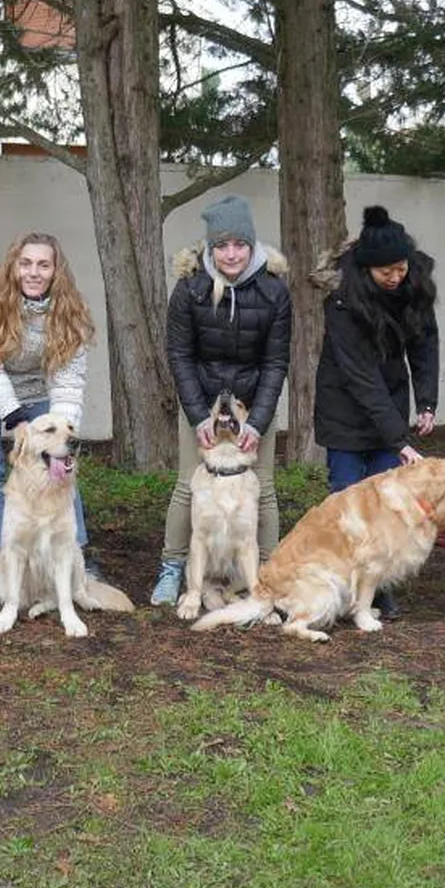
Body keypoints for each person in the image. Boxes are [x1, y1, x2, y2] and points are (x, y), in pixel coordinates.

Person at [151, 194, 293, 606]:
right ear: (210, 248)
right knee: (187, 486)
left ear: (252, 245)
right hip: (202, 400)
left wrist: (258, 421)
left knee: (262, 489)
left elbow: (275, 360)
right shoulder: (189, 288)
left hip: (252, 402)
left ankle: (269, 575)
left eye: (239, 244)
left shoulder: (274, 291)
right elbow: (180, 354)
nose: (231, 254)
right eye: (222, 245)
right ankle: (173, 568)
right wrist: (198, 416)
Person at [310, 205, 440, 619]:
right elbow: (360, 376)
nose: (395, 276)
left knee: (388, 504)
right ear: (366, 269)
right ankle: (342, 584)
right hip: (344, 406)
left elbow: (425, 341)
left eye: (400, 267)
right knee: (348, 501)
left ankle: (377, 589)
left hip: (391, 399)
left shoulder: (414, 285)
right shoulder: (342, 300)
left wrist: (427, 399)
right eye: (385, 271)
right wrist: (398, 440)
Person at [0, 231, 99, 580]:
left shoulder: (71, 313)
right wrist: (14, 419)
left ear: (56, 271)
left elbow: (68, 382)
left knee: (60, 465)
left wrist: (60, 432)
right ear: (14, 266)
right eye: (26, 263)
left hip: (34, 389)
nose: (34, 272)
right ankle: (1, 558)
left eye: (43, 265)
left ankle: (76, 554)